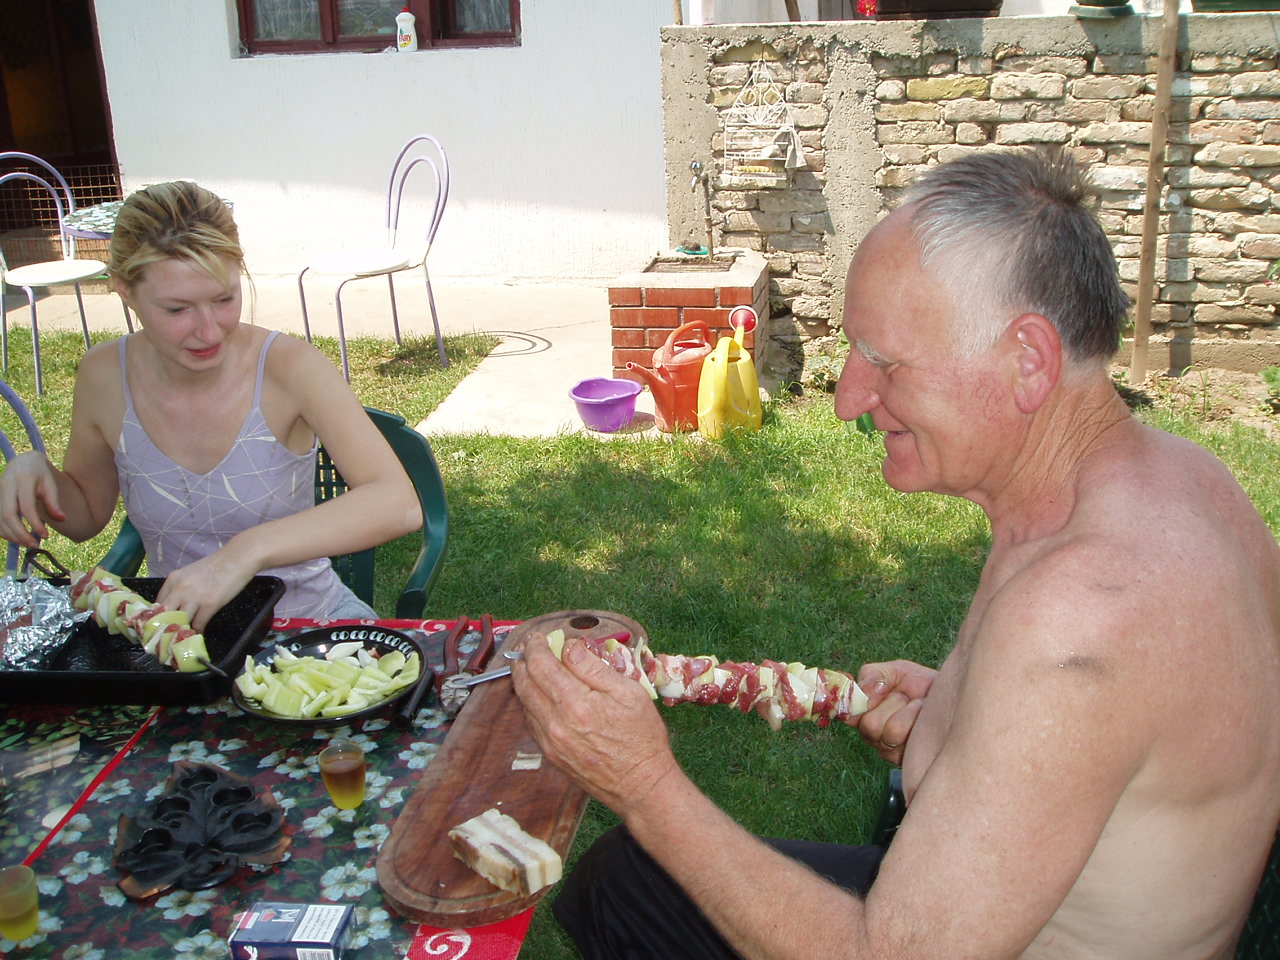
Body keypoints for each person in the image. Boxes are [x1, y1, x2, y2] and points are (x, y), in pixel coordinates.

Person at [511, 147, 1280, 960]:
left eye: (884, 362)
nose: (849, 399)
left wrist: (644, 785)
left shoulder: (1078, 619)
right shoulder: (1188, 481)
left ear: (1028, 360)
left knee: (638, 869)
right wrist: (965, 710)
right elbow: (1111, 739)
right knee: (621, 883)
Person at [0, 181, 422, 628]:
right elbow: (84, 518)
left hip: (306, 625)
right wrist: (36, 470)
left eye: (223, 299)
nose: (208, 330)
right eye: (177, 309)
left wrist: (244, 552)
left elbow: (398, 503)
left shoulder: (289, 367)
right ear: (124, 290)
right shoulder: (104, 374)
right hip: (180, 637)